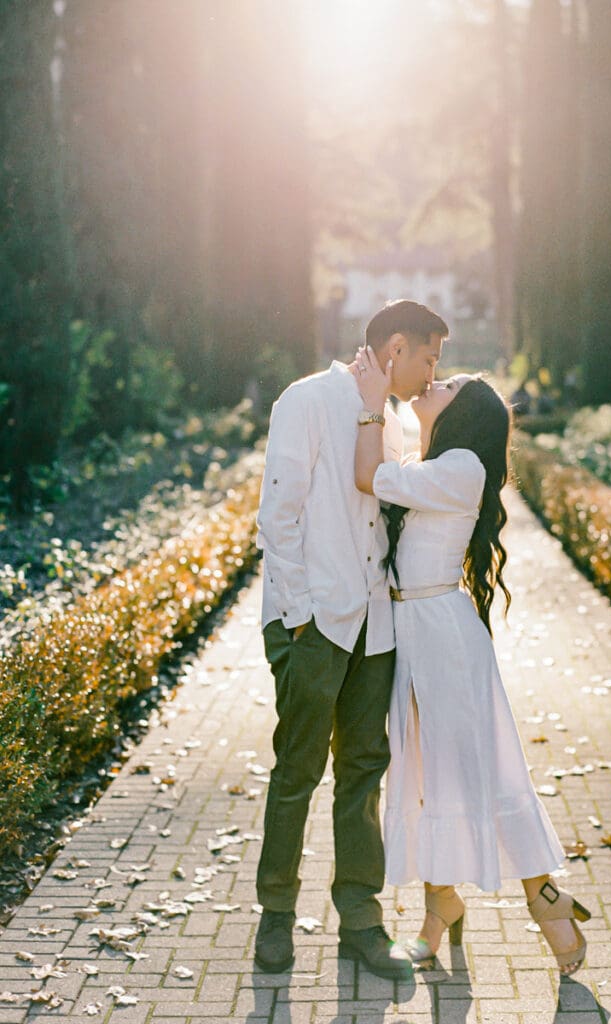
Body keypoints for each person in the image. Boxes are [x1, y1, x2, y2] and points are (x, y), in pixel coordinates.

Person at [351, 346, 592, 976]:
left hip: (443, 636)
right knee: (427, 772)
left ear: (466, 413)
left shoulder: (460, 465)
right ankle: (441, 907)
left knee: (475, 769)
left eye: (451, 382)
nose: (437, 379)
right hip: (416, 629)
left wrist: (372, 404)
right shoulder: (434, 460)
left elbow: (366, 477)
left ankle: (545, 898)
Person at [253, 300, 448, 980]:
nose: (432, 373)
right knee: (298, 771)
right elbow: (276, 516)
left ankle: (360, 924)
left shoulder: (395, 418)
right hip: (314, 626)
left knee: (364, 771)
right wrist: (301, 617)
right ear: (395, 347)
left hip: (376, 627)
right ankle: (275, 915)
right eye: (428, 357)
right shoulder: (306, 400)